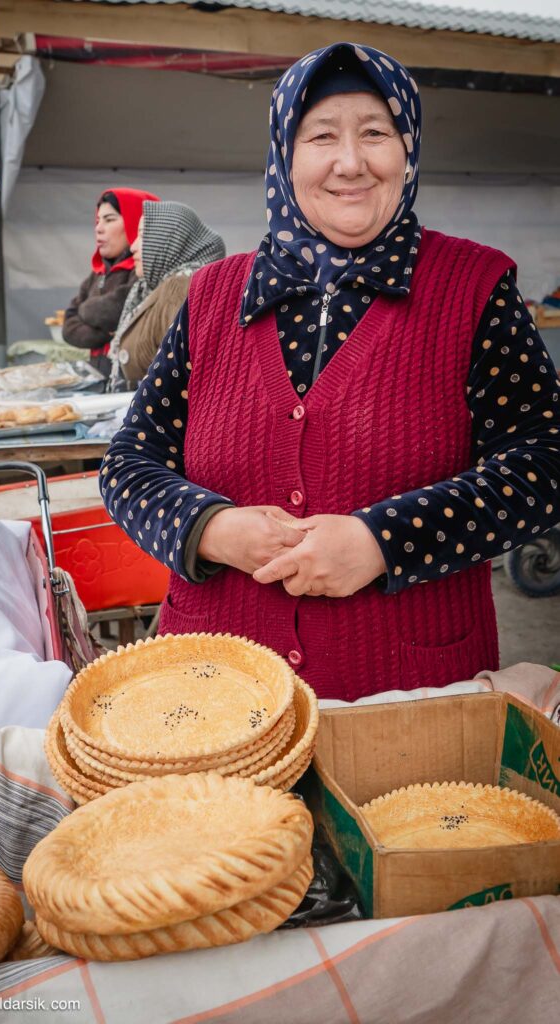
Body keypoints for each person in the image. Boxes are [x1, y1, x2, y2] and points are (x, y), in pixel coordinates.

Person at [100, 43, 560, 701]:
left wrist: (384, 541)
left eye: (375, 133)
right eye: (321, 136)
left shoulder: (473, 287)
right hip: (214, 691)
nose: (350, 162)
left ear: (408, 149)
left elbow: (542, 463)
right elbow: (128, 464)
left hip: (410, 696)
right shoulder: (212, 295)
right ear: (284, 157)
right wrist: (211, 529)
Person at [108, 201, 226, 389]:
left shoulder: (179, 288)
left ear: (168, 242)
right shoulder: (155, 287)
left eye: (143, 235)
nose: (133, 247)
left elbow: (179, 375)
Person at [62, 187, 159, 379]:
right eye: (98, 220)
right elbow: (68, 328)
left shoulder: (145, 271)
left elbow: (118, 309)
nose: (98, 228)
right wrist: (108, 332)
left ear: (136, 221)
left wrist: (86, 310)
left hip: (133, 381)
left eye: (109, 219)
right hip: (99, 376)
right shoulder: (96, 274)